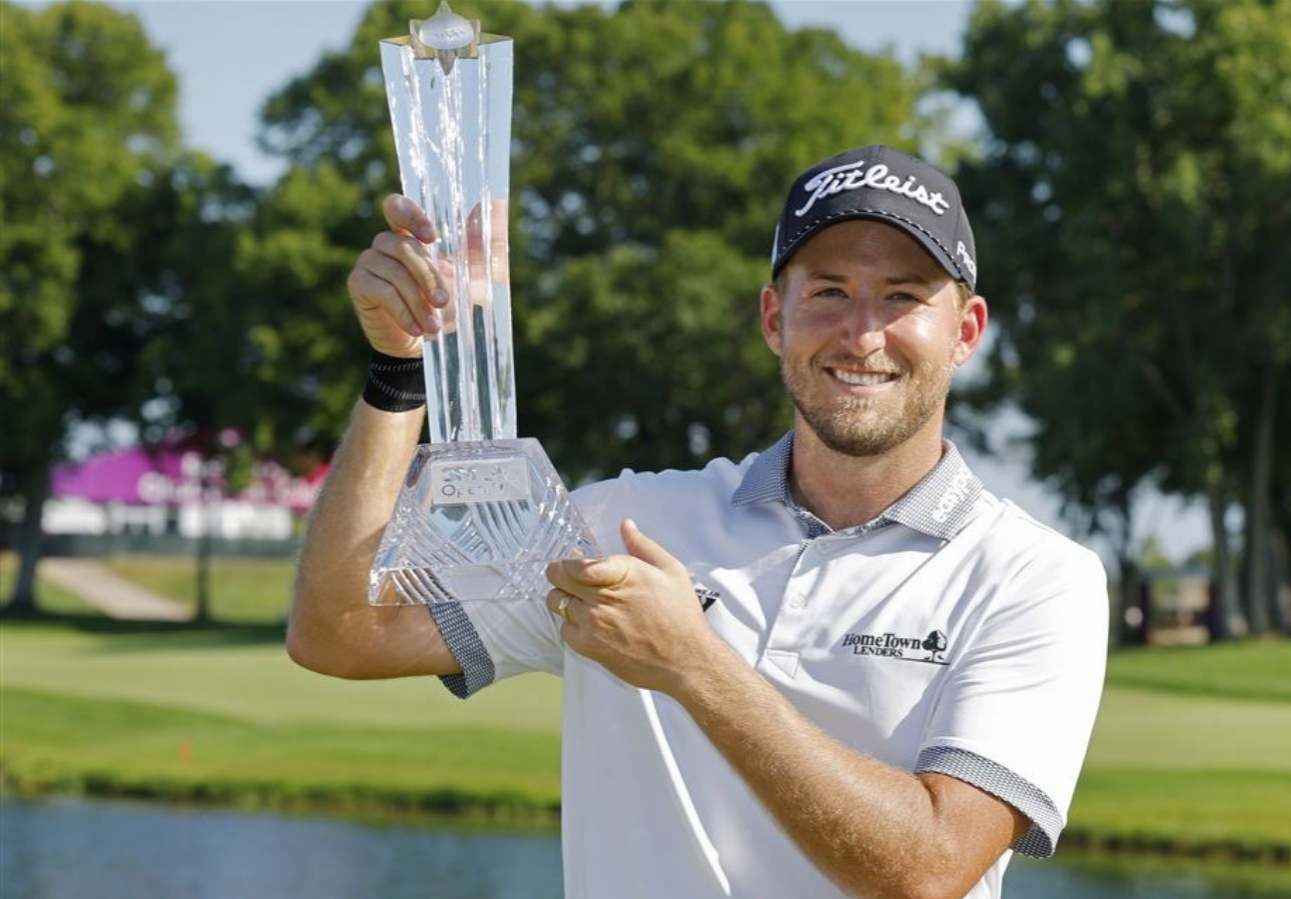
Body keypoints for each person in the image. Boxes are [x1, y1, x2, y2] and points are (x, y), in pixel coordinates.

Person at [288, 145, 1108, 899]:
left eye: (902, 297)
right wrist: (400, 367)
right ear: (772, 319)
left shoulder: (1037, 578)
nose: (863, 333)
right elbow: (340, 629)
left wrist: (691, 662)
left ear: (964, 331)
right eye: (828, 292)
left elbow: (928, 869)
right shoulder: (628, 520)